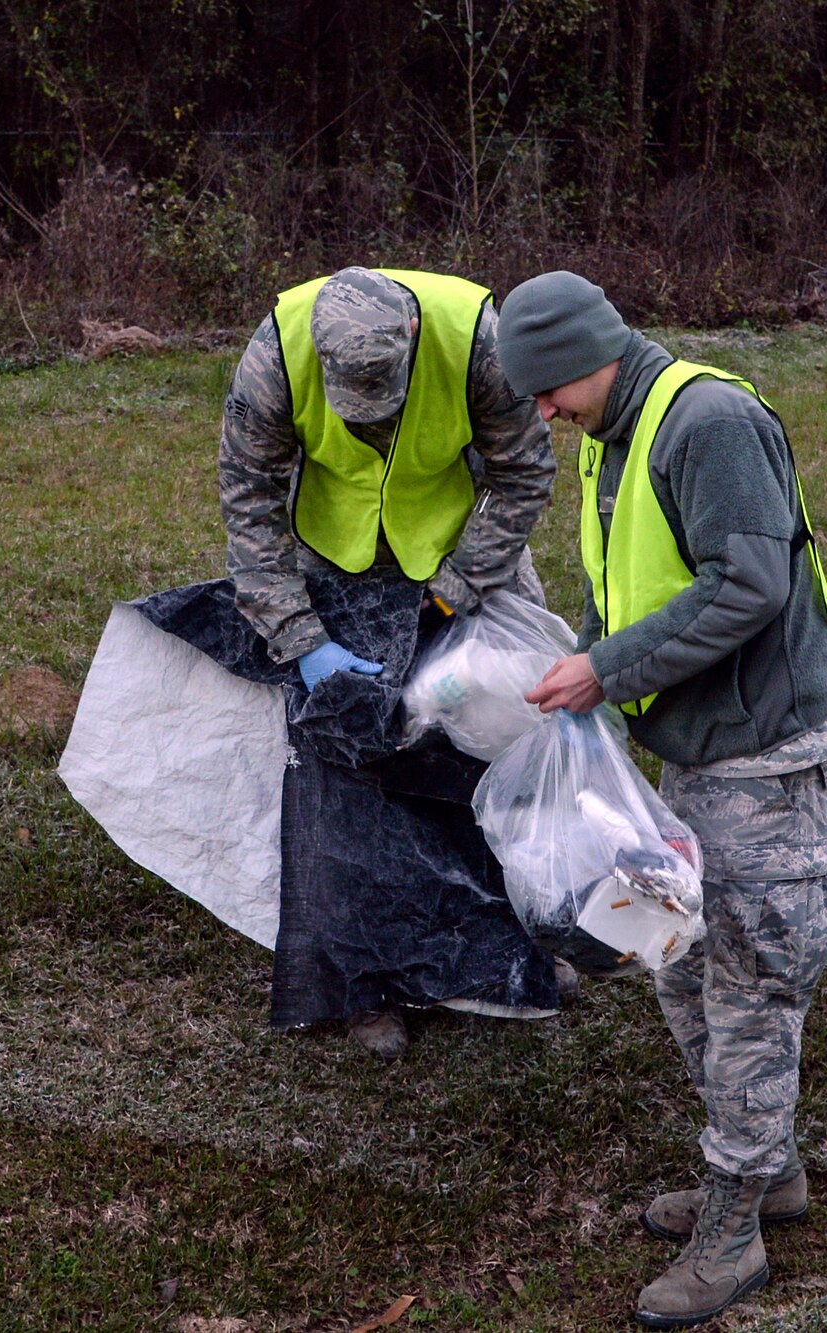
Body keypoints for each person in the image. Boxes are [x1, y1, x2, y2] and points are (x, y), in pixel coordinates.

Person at [500, 271, 827, 1328]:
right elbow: (655, 586)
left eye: (544, 394)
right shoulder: (625, 431)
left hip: (763, 765)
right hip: (689, 760)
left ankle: (736, 1227)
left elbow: (749, 585)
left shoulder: (707, 422)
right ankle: (765, 1164)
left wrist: (608, 667)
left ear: (578, 360)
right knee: (669, 960)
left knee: (744, 988)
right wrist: (593, 663)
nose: (541, 417)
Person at [219, 265, 560, 1057]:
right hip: (330, 555)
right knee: (345, 759)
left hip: (455, 547)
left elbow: (523, 472)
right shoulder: (274, 356)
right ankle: (367, 977)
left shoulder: (480, 340)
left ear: (412, 336)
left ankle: (519, 939)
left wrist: (456, 589)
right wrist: (304, 642)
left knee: (503, 729)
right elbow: (249, 502)